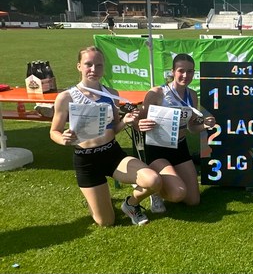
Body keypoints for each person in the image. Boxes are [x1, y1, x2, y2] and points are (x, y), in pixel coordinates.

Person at [49, 46, 161, 226]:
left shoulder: (111, 94)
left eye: (99, 65)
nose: (94, 69)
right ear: (79, 66)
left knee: (153, 180)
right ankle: (95, 200)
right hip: (86, 161)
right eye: (88, 64)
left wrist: (126, 121)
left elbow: (114, 128)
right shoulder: (66, 97)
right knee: (106, 221)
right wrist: (63, 138)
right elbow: (54, 131)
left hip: (112, 154)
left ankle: (130, 204)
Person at [136, 54, 216, 214]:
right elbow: (138, 123)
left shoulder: (192, 95)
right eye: (181, 71)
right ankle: (154, 190)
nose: (185, 75)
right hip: (158, 149)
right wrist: (139, 124)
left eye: (190, 71)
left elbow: (191, 128)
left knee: (193, 200)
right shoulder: (156, 93)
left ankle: (165, 180)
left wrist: (205, 125)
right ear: (173, 71)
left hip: (180, 147)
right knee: (178, 193)